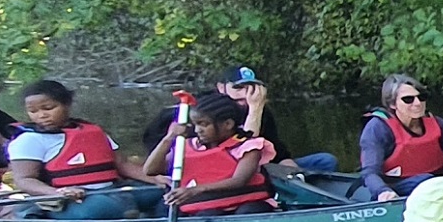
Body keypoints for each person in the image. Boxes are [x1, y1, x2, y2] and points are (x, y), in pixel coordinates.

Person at [5, 81, 164, 221]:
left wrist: (157, 180)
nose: (41, 115)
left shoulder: (92, 131)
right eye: (33, 111)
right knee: (102, 207)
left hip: (112, 191)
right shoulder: (29, 140)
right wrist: (57, 191)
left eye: (48, 108)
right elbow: (24, 180)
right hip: (68, 199)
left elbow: (122, 164)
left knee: (167, 196)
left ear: (66, 104)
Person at [141, 68, 334, 177]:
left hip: (261, 166)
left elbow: (277, 150)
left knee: (325, 161)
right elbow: (244, 147)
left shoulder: (259, 109)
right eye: (238, 88)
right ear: (221, 87)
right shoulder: (202, 114)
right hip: (219, 172)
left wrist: (291, 171)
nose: (245, 93)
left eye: (251, 87)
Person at [139, 91, 278, 216]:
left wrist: (195, 190)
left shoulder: (247, 146)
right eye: (195, 124)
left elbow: (239, 180)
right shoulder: (187, 147)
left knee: (248, 212)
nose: (198, 130)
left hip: (246, 203)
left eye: (204, 124)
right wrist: (168, 138)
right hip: (208, 206)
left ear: (228, 124)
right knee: (207, 216)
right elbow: (150, 170)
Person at [357, 74, 443, 202]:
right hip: (397, 186)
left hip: (438, 182)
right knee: (426, 181)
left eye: (421, 97)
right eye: (408, 99)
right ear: (392, 104)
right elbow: (370, 172)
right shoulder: (378, 128)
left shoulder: (438, 124)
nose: (417, 103)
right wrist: (382, 191)